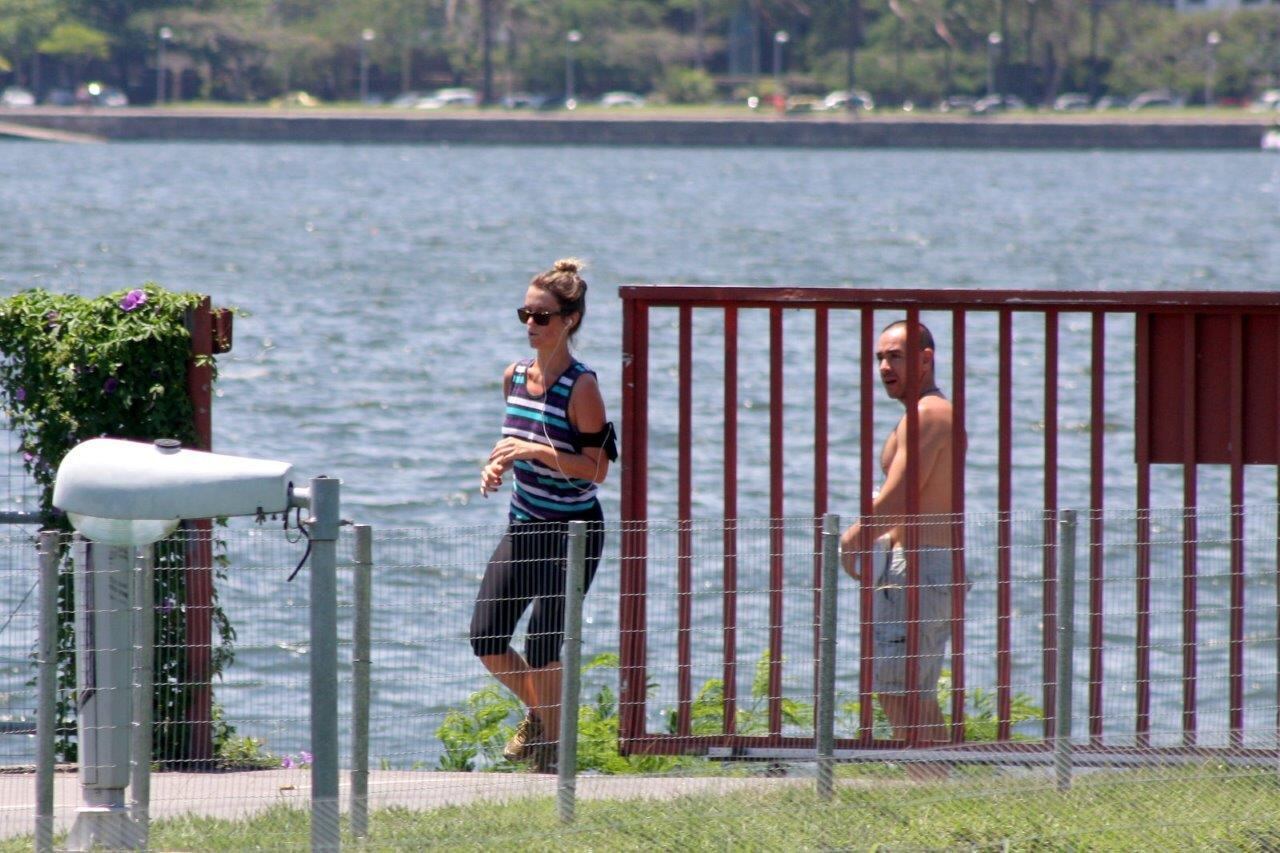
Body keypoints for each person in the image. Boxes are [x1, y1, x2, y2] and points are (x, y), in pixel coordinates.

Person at [469, 258, 616, 773]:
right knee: (486, 636)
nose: (531, 325)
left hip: (573, 531)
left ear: (570, 320)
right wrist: (494, 467)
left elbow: (597, 468)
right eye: (525, 314)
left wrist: (532, 453)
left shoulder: (582, 387)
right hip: (524, 522)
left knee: (544, 642)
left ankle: (553, 759)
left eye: (543, 316)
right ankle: (540, 714)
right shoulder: (513, 376)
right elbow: (510, 440)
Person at [840, 320, 965, 754]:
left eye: (895, 356)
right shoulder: (922, 414)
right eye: (880, 357)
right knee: (909, 688)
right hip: (917, 563)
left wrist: (851, 540)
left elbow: (900, 496)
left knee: (899, 687)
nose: (884, 366)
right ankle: (934, 782)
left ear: (926, 359)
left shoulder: (930, 415)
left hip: (920, 564)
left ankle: (928, 779)